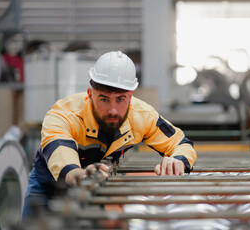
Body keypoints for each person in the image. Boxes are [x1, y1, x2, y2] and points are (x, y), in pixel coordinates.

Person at [22, 50, 197, 218]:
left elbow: (182, 144)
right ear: (90, 94)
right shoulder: (63, 114)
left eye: (120, 99)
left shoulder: (142, 115)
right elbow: (62, 155)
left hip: (97, 187)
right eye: (104, 99)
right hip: (48, 186)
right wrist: (79, 174)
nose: (113, 110)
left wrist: (178, 160)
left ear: (130, 96)